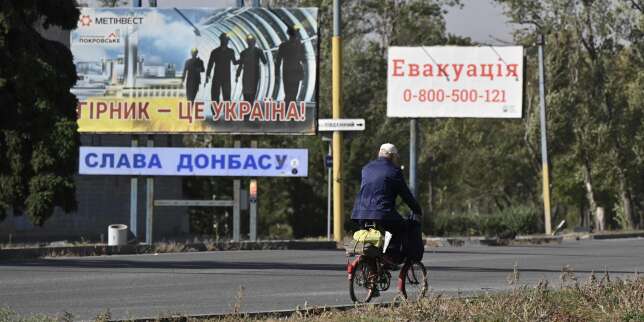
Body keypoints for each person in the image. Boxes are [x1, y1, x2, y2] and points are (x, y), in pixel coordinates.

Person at [351, 143, 423, 266]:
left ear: (379, 153)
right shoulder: (394, 171)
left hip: (360, 213)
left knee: (370, 235)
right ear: (392, 156)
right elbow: (406, 195)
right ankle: (390, 258)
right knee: (400, 229)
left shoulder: (366, 168)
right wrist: (417, 210)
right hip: (382, 212)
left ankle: (372, 266)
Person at [275, 25, 305, 103]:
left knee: (288, 93)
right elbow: (303, 59)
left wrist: (276, 74)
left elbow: (278, 61)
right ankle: (291, 110)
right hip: (296, 72)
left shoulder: (283, 45)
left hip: (287, 72)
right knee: (294, 94)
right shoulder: (300, 45)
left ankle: (287, 110)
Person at [205, 33, 238, 102]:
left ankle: (226, 112)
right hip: (219, 77)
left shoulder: (230, 51)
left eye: (226, 40)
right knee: (215, 97)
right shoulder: (215, 52)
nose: (226, 41)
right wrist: (207, 75)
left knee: (226, 97)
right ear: (221, 40)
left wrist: (243, 60)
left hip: (224, 78)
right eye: (224, 40)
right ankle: (215, 112)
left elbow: (234, 62)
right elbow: (210, 64)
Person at [236, 35, 267, 103]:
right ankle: (249, 106)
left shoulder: (244, 52)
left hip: (249, 75)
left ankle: (247, 107)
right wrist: (237, 75)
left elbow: (240, 65)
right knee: (251, 92)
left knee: (247, 92)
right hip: (253, 75)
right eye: (250, 41)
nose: (250, 42)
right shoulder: (258, 51)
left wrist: (237, 75)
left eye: (251, 41)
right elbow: (264, 61)